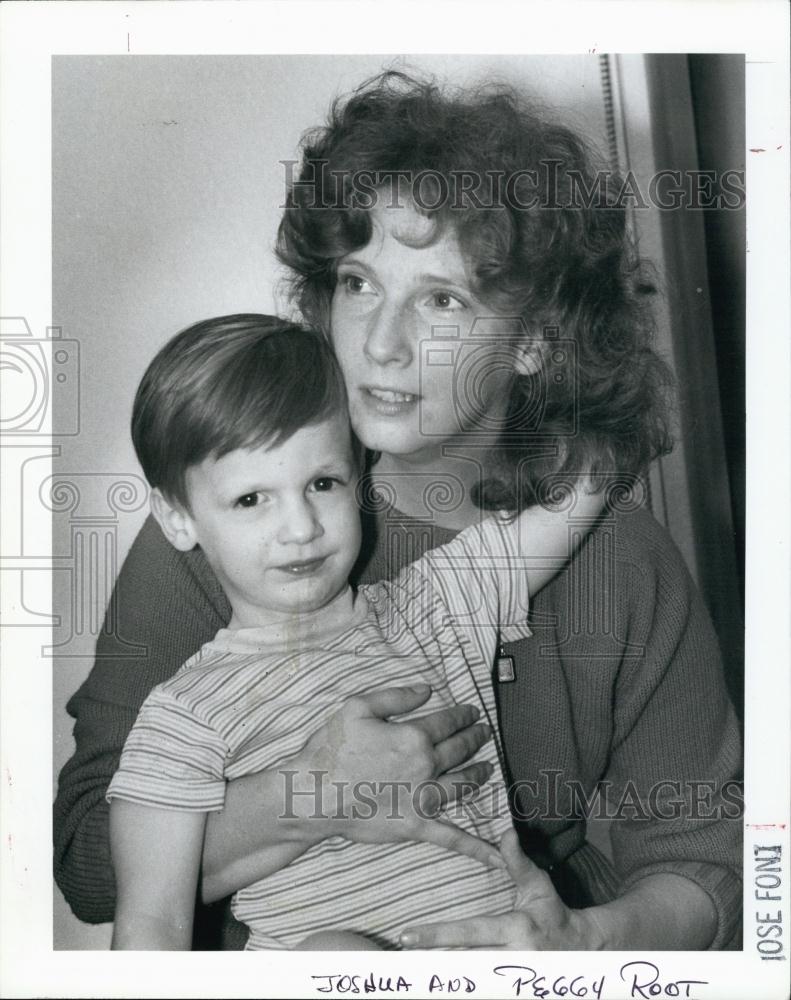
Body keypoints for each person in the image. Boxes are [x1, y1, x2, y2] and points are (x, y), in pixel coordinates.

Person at [54, 71, 742, 951]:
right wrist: (306, 796)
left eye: (441, 299)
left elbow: (713, 860)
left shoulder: (622, 556)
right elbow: (86, 865)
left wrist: (584, 938)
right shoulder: (242, 530)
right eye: (357, 283)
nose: (380, 343)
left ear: (534, 339)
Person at [108, 314, 604, 951]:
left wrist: (566, 333)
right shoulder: (182, 715)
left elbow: (590, 473)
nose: (301, 527)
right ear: (178, 519)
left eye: (322, 483)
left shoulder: (435, 605)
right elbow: (150, 924)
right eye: (252, 499)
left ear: (359, 475)